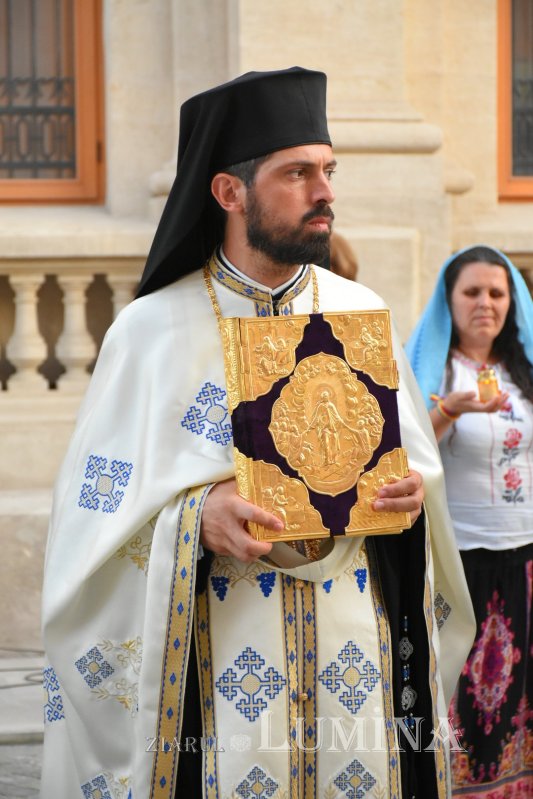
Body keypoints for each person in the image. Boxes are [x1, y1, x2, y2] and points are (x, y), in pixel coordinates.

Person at [41, 68, 474, 799]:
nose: (325, 191)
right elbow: (88, 530)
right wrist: (192, 518)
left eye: (328, 170)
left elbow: (415, 484)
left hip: (352, 675)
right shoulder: (149, 334)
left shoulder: (360, 311)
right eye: (297, 173)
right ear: (228, 191)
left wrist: (407, 500)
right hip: (217, 683)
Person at [405, 245, 533, 797]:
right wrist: (449, 409)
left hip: (525, 556)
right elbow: (405, 455)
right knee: (460, 690)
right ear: (449, 301)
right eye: (472, 292)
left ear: (512, 303)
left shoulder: (524, 370)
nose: (485, 303)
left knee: (520, 690)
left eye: (496, 292)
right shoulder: (432, 371)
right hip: (460, 561)